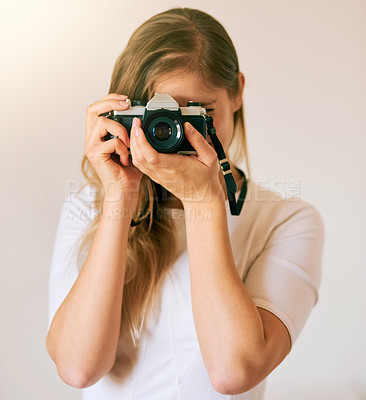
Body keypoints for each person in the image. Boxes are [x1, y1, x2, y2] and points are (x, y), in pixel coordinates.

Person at [46, 7, 325, 399]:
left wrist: (203, 201)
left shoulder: (287, 221)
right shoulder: (88, 207)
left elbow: (233, 372)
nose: (177, 132)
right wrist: (120, 198)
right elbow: (77, 368)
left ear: (238, 92)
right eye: (160, 117)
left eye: (200, 113)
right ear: (126, 114)